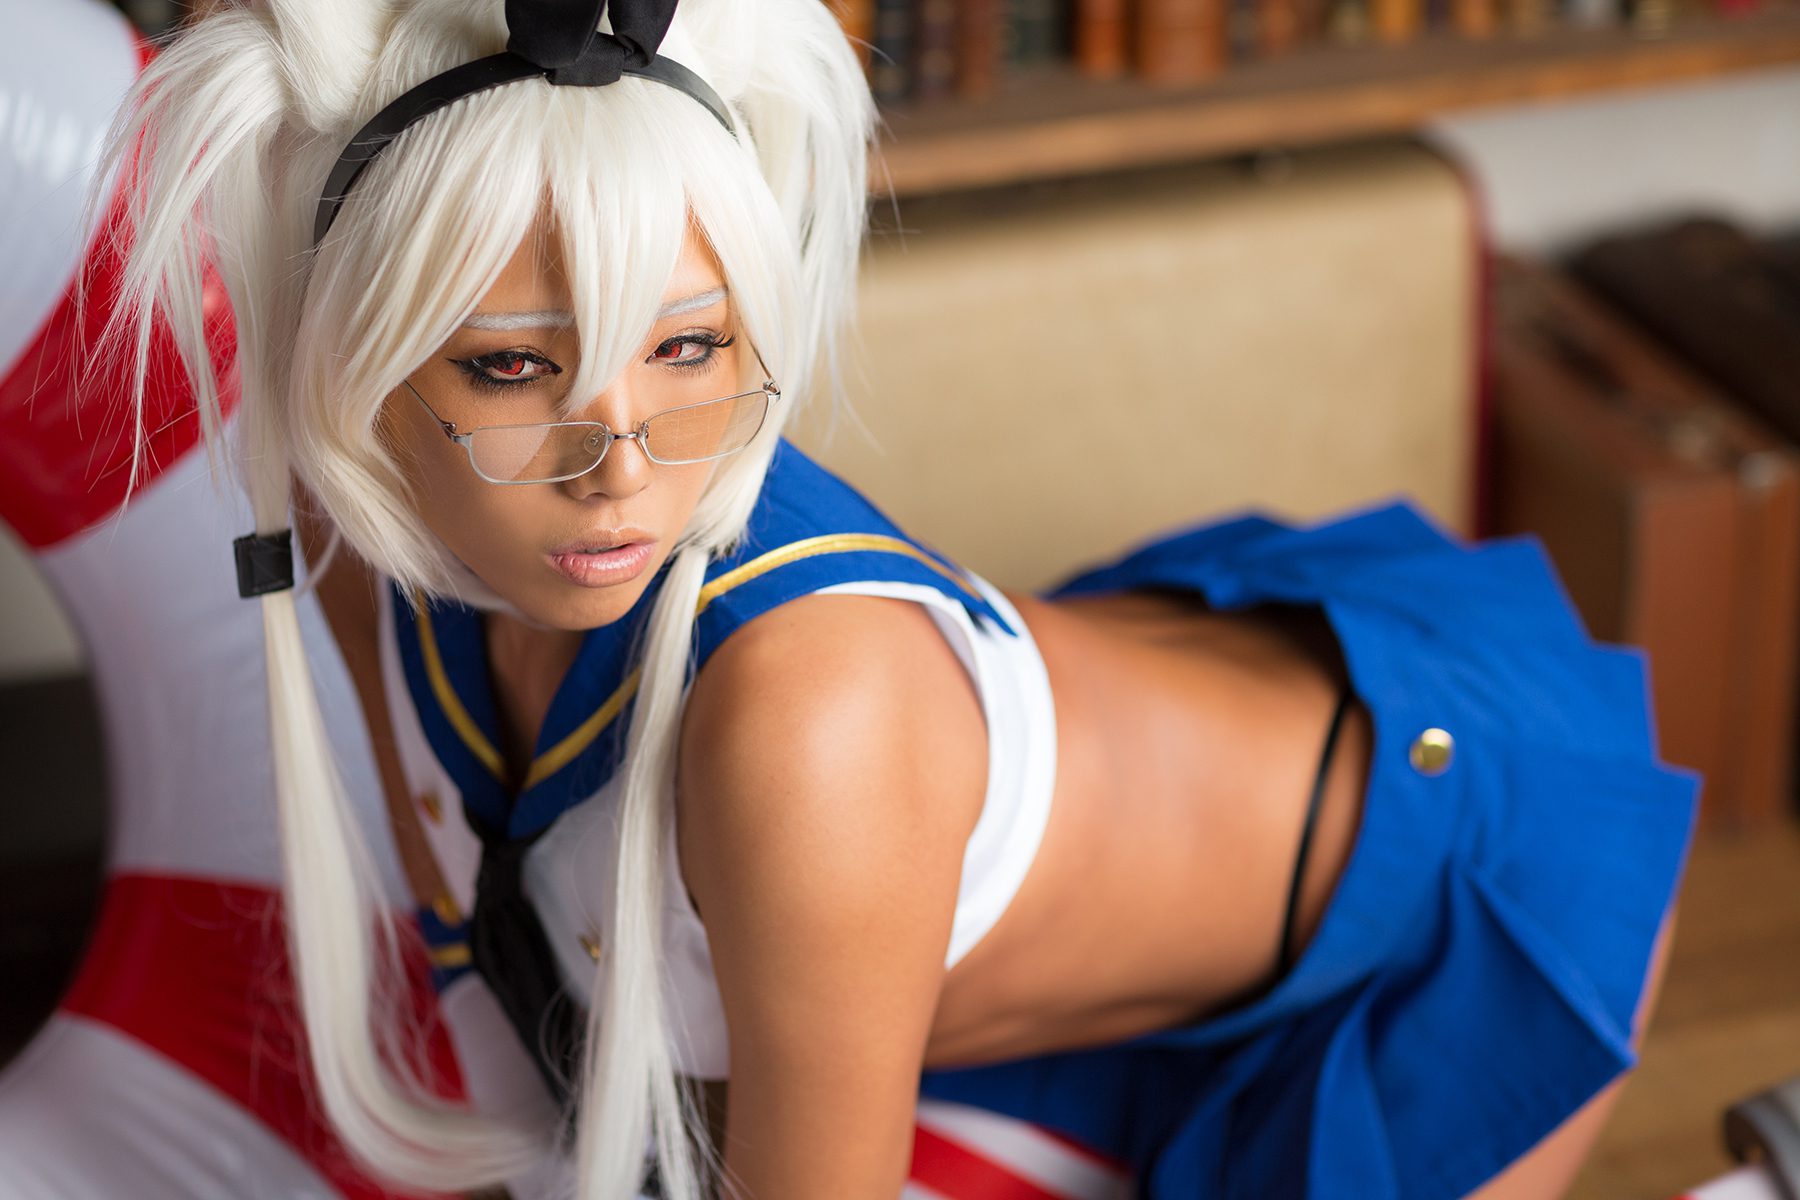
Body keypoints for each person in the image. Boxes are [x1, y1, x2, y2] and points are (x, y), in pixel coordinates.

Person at [95, 0, 1697, 1197]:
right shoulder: (367, 536)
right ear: (366, 376)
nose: (620, 469)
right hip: (1086, 861)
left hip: (1451, 874)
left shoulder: (813, 731)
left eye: (689, 347)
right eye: (513, 369)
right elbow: (503, 994)